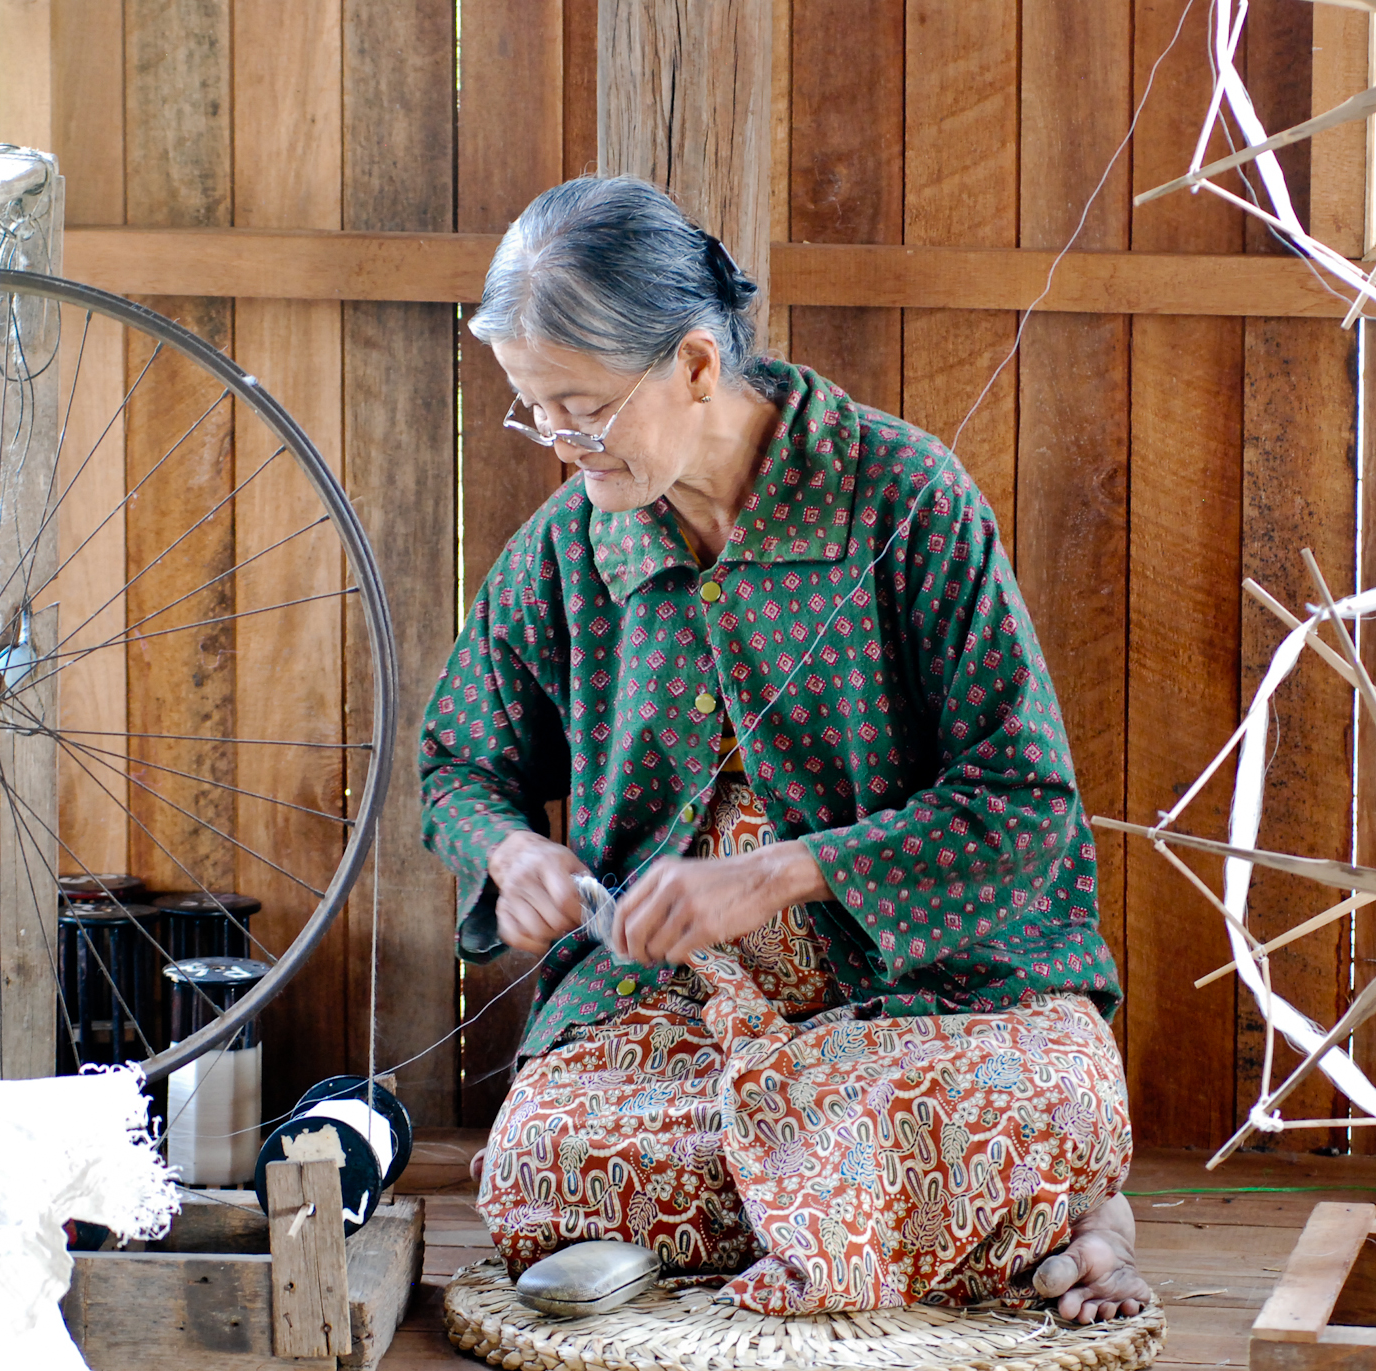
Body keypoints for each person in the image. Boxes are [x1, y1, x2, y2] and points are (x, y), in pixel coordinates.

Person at [420, 174, 1147, 1323]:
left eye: (583, 409)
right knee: (538, 1164)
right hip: (678, 1016)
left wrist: (773, 875)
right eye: (533, 410)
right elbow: (458, 762)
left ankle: (1041, 1193)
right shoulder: (571, 548)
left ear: (697, 366)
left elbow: (1024, 803)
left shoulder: (904, 499)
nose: (560, 447)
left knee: (1037, 1095)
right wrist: (510, 853)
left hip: (932, 1003)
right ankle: (1006, 1219)